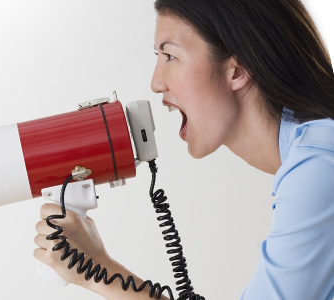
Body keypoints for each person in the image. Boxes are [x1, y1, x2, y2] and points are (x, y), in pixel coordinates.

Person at [34, 0, 334, 299]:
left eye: (170, 55)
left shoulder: (318, 168)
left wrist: (96, 271)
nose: (155, 83)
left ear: (237, 70)